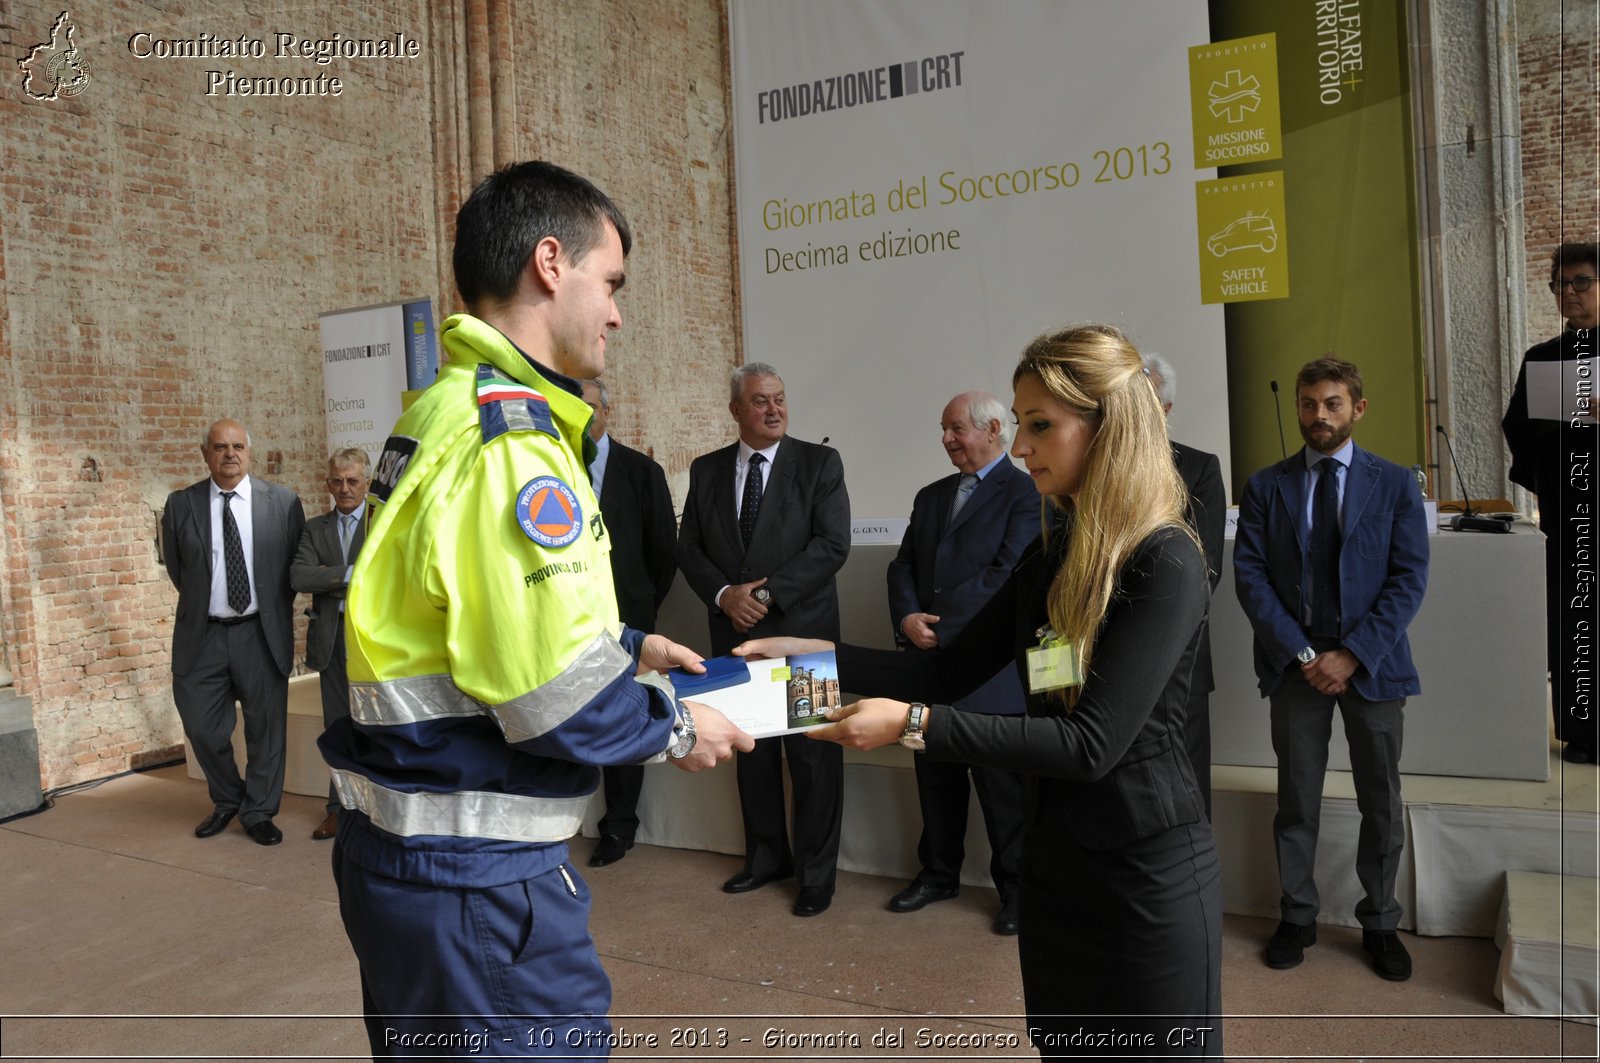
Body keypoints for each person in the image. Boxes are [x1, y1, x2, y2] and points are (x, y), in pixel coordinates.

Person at [318, 161, 751, 1058]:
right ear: (550, 263)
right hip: (478, 888)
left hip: (410, 864)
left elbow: (467, 612)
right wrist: (678, 726)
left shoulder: (440, 411)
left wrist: (629, 645)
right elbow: (555, 695)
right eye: (613, 282)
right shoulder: (513, 446)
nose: (619, 313)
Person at [738, 324, 1222, 1059]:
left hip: (1144, 879)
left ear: (1106, 426)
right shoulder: (1052, 551)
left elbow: (1090, 744)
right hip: (1059, 869)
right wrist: (819, 656)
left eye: (1039, 426)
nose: (1020, 447)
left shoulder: (1166, 559)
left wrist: (913, 725)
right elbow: (943, 672)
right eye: (1020, 425)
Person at [1233, 356, 1429, 982]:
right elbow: (1252, 579)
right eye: (1309, 403)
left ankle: (1380, 922)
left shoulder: (1396, 484)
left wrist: (1352, 654)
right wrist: (1307, 655)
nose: (1319, 415)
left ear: (1358, 408)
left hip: (1372, 664)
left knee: (1381, 800)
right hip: (1297, 666)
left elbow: (1408, 580)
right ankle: (1297, 915)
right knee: (1297, 800)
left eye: (1333, 403)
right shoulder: (1267, 486)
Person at [676, 362, 850, 918]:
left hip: (805, 639)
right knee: (750, 750)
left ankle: (816, 874)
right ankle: (766, 857)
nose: (773, 409)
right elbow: (690, 550)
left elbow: (832, 546)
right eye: (759, 401)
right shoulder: (705, 470)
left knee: (814, 756)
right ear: (736, 410)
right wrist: (726, 594)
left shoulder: (820, 463)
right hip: (733, 635)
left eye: (779, 399)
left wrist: (766, 596)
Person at [884, 390, 1036, 935]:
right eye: (944, 430)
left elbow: (1007, 573)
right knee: (935, 774)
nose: (946, 439)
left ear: (992, 428)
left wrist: (939, 621)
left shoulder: (1026, 493)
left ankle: (1017, 890)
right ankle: (938, 872)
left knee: (1003, 790)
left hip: (990, 669)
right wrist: (907, 618)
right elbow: (902, 566)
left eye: (956, 429)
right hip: (928, 663)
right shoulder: (931, 496)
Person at [161, 419, 305, 846]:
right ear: (204, 452)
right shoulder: (181, 504)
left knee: (266, 729)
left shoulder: (281, 503)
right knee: (202, 726)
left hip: (259, 633)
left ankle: (258, 811)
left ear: (249, 451)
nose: (230, 454)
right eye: (220, 447)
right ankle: (228, 799)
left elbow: (290, 573)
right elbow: (178, 569)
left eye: (238, 446)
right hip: (203, 635)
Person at [1502, 242, 1599, 764]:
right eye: (1560, 285)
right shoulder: (1543, 357)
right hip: (1569, 514)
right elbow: (1516, 425)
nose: (1569, 294)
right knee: (1574, 622)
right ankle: (1582, 734)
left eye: (1581, 282)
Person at [578, 378, 680, 867]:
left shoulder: (642, 471)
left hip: (629, 618)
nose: (582, 416)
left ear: (607, 412)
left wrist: (641, 603)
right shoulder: (549, 468)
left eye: (590, 408)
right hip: (568, 619)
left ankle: (618, 826)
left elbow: (664, 551)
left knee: (621, 716)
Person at [1142, 353, 1226, 816]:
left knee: (1189, 787)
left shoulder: (1199, 469)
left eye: (1145, 399)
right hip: (1106, 662)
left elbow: (1206, 568)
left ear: (1166, 410)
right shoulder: (1094, 468)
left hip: (1180, 656)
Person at [289, 447, 370, 841]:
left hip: (375, 641)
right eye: (337, 481)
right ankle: (338, 809)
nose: (345, 488)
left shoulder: (383, 521)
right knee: (337, 727)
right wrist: (352, 574)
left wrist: (329, 576)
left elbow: (388, 575)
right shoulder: (314, 528)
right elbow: (301, 577)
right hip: (332, 642)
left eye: (353, 480)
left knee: (379, 725)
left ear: (367, 482)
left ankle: (379, 810)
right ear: (328, 483)